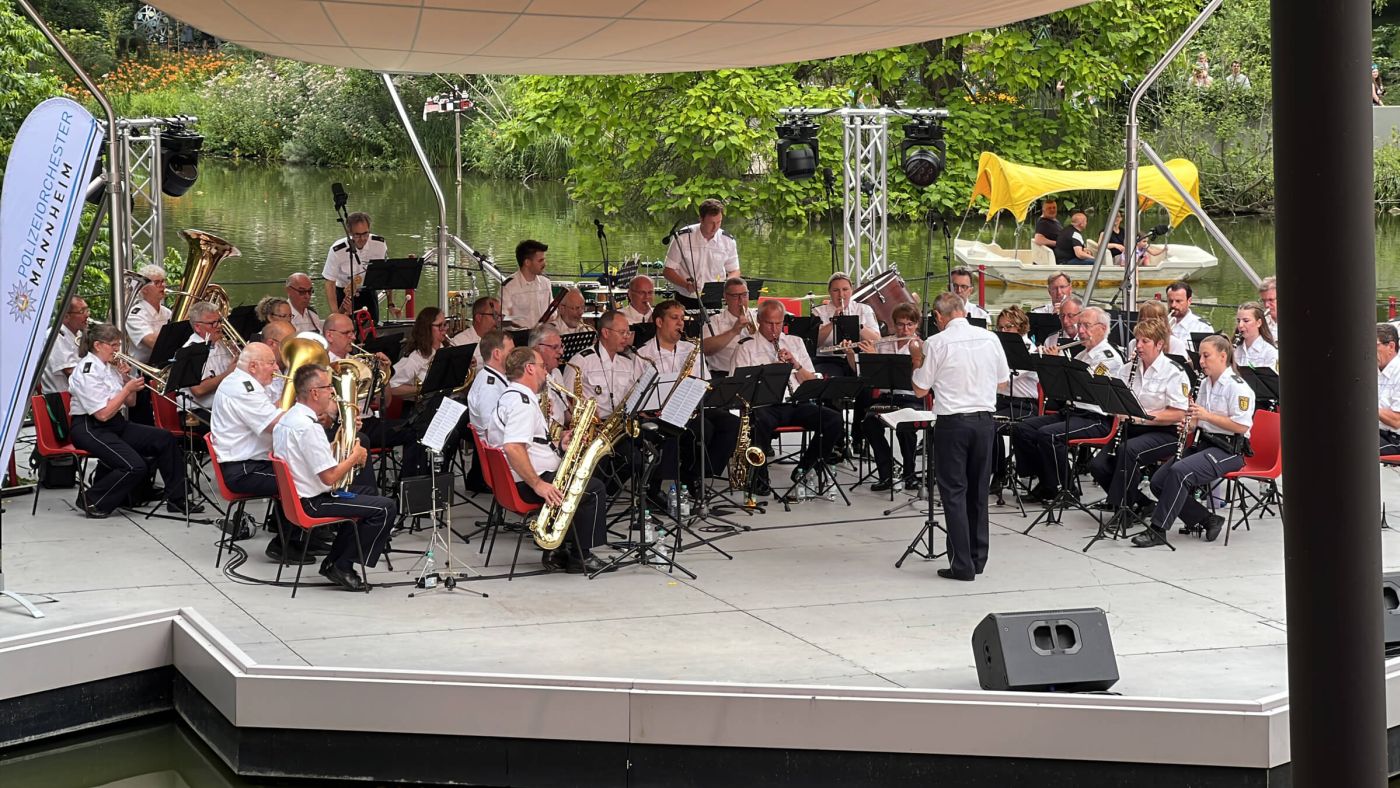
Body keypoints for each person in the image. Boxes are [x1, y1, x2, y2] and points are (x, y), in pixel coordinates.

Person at [272, 363, 396, 590]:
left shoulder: (290, 418)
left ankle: (335, 560)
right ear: (314, 392)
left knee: (367, 494)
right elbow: (329, 477)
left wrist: (343, 437)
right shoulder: (308, 427)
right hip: (313, 502)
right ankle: (343, 565)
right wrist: (354, 456)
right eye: (328, 386)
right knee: (386, 508)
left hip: (301, 497)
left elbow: (313, 456)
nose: (332, 391)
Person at [912, 292, 1009, 581]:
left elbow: (920, 389)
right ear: (963, 311)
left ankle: (962, 565)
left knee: (954, 493)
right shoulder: (990, 338)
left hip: (953, 422)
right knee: (978, 491)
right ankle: (978, 558)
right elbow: (1003, 382)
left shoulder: (937, 342)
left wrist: (916, 357)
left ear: (940, 317)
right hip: (983, 421)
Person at [488, 347, 608, 574]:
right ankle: (581, 555)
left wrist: (560, 443)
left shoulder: (513, 397)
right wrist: (538, 484)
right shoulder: (522, 404)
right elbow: (513, 447)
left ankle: (559, 549)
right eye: (543, 367)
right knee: (593, 489)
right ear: (530, 368)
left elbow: (528, 442)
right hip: (529, 482)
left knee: (586, 481)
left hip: (523, 477)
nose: (546, 372)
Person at [1134, 335, 1254, 546]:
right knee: (1158, 482)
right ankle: (1208, 519)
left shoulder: (1238, 387)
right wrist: (1188, 425)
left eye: (1206, 356)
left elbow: (1242, 426)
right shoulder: (1205, 383)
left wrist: (1206, 416)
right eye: (1200, 356)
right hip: (1205, 444)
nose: (1201, 361)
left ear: (1222, 356)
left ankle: (1158, 530)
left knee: (1180, 473)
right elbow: (1198, 420)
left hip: (1229, 450)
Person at [67, 323, 196, 517]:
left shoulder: (109, 368)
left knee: (164, 439)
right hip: (90, 427)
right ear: (98, 345)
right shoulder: (86, 370)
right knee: (134, 466)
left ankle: (177, 500)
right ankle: (93, 499)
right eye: (113, 345)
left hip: (114, 423)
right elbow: (102, 414)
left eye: (118, 344)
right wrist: (126, 389)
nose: (117, 350)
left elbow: (131, 402)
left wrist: (126, 379)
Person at [210, 343, 322, 564]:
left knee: (307, 473)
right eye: (271, 363)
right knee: (300, 480)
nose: (276, 367)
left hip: (253, 462)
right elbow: (274, 423)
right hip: (243, 469)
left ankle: (306, 536)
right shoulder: (243, 388)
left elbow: (276, 409)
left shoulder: (247, 383)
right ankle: (284, 545)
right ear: (253, 366)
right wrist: (312, 414)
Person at [731, 300, 844, 496]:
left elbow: (812, 381)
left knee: (833, 420)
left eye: (778, 323)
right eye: (769, 323)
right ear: (759, 321)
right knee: (759, 422)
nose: (774, 329)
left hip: (796, 402)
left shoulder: (795, 342)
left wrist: (795, 364)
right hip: (765, 406)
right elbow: (738, 388)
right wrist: (769, 373)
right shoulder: (746, 347)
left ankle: (806, 468)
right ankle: (759, 476)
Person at [1011, 306, 1124, 502]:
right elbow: (1062, 391)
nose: (1080, 331)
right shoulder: (1081, 355)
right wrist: (1049, 363)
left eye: (1086, 326)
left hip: (1097, 417)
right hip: (1073, 412)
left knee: (1050, 435)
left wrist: (1059, 362)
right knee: (1023, 429)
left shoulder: (1109, 357)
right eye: (1080, 325)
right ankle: (1045, 480)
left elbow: (1087, 390)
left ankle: (1067, 488)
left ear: (1102, 328)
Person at [1086, 318, 1189, 513]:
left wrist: (1142, 417)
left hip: (1164, 432)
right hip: (1132, 428)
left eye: (1145, 341)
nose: (1139, 346)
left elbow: (1178, 413)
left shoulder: (1174, 372)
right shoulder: (1127, 370)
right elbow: (1115, 403)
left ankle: (1121, 509)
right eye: (1137, 340)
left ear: (1159, 344)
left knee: (1128, 451)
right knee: (1097, 465)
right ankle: (1140, 503)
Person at [637, 300, 739, 489]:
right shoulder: (643, 353)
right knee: (703, 429)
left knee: (731, 423)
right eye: (674, 318)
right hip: (661, 413)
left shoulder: (691, 349)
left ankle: (701, 472)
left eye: (682, 319)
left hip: (692, 407)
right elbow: (641, 394)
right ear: (659, 322)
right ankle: (688, 479)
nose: (680, 323)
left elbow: (706, 383)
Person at [857, 302, 925, 491]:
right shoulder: (884, 343)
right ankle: (886, 473)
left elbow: (921, 379)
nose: (905, 329)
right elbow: (866, 376)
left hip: (912, 398)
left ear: (916, 324)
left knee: (905, 426)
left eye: (909, 324)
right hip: (887, 398)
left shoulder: (922, 346)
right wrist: (859, 355)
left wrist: (915, 359)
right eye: (901, 324)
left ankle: (910, 475)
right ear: (894, 324)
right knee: (869, 423)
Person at [663, 198, 741, 309]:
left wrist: (727, 284)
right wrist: (685, 284)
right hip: (686, 298)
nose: (715, 227)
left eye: (719, 222)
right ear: (701, 219)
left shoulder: (728, 241)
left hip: (714, 298)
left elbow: (734, 270)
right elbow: (668, 271)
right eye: (711, 223)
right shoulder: (682, 238)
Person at [321, 211, 391, 324]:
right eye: (357, 235)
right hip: (345, 295)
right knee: (345, 331)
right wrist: (335, 315)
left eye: (365, 234)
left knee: (372, 330)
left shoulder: (379, 244)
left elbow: (386, 273)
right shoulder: (337, 250)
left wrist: (390, 303)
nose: (362, 238)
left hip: (368, 292)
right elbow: (329, 283)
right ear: (349, 232)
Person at [812, 271, 880, 377]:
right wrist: (833, 321)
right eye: (836, 290)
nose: (841, 294)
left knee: (869, 380)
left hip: (858, 357)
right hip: (828, 359)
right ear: (829, 292)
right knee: (832, 380)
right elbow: (814, 343)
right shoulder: (818, 312)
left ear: (851, 290)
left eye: (845, 289)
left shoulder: (864, 309)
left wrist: (856, 324)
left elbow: (877, 340)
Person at [178, 301, 237, 421]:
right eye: (212, 323)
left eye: (219, 321)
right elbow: (198, 390)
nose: (219, 326)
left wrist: (241, 358)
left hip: (222, 406)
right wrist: (228, 373)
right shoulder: (190, 350)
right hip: (197, 411)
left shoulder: (221, 343)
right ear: (198, 327)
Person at [700, 277, 759, 379]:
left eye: (744, 295)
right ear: (725, 297)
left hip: (755, 373)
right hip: (723, 375)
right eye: (735, 296)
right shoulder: (714, 321)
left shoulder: (758, 317)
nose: (741, 301)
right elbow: (705, 349)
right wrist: (733, 331)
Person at [387, 307, 450, 401]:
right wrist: (423, 388)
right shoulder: (415, 357)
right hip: (422, 408)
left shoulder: (447, 350)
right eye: (440, 325)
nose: (444, 329)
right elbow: (392, 387)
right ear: (427, 328)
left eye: (445, 324)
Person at [125, 264, 172, 365]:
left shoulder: (167, 312)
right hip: (142, 369)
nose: (163, 285)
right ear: (144, 289)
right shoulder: (135, 315)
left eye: (163, 281)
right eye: (157, 283)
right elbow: (153, 342)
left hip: (164, 363)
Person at [499, 239, 552, 327]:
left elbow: (552, 314)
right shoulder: (509, 286)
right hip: (518, 337)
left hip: (542, 336)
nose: (545, 264)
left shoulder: (546, 283)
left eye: (544, 260)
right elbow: (503, 318)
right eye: (540, 260)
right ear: (527, 262)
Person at [530, 324, 570, 436]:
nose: (561, 352)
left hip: (560, 436)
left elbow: (565, 413)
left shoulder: (556, 372)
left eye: (561, 347)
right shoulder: (529, 379)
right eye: (555, 347)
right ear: (536, 349)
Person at [42, 297, 88, 393]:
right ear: (66, 316)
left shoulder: (79, 334)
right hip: (61, 399)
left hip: (80, 396)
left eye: (87, 310)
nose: (87, 315)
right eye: (81, 312)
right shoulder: (55, 336)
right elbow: (70, 371)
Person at [1165, 281, 1214, 347]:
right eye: (1170, 301)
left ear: (1189, 301)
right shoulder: (1161, 323)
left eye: (1178, 301)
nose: (1173, 305)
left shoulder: (1202, 327)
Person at [1234, 302, 1278, 369]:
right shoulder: (1235, 349)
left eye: (1246, 321)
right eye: (1238, 321)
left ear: (1259, 323)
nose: (1240, 325)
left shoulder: (1270, 352)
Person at [1378, 324, 1400, 455]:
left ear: (1391, 347)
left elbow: (1396, 421)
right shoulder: (1375, 370)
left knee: (1351, 444)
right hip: (1378, 434)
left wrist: (1364, 408)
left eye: (1374, 345)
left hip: (1395, 440)